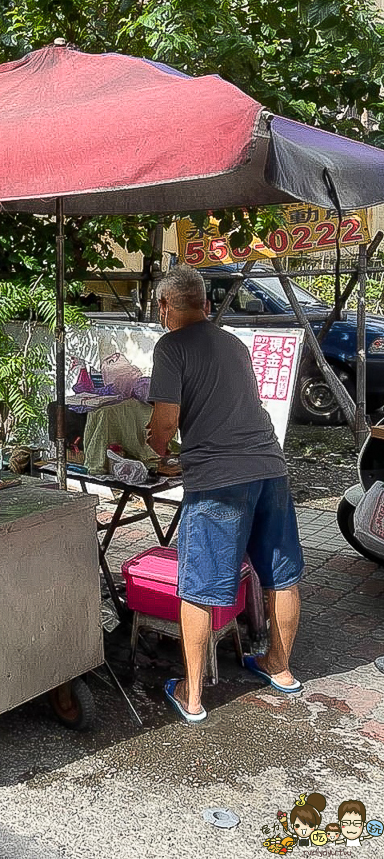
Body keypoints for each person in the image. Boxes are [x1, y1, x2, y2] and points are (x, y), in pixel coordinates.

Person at [147, 264, 304, 723]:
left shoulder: (171, 346)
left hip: (218, 481)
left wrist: (158, 446)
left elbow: (165, 424)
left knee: (199, 584)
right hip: (269, 468)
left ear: (165, 308)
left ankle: (192, 696)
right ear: (206, 304)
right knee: (282, 572)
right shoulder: (233, 342)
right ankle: (281, 669)